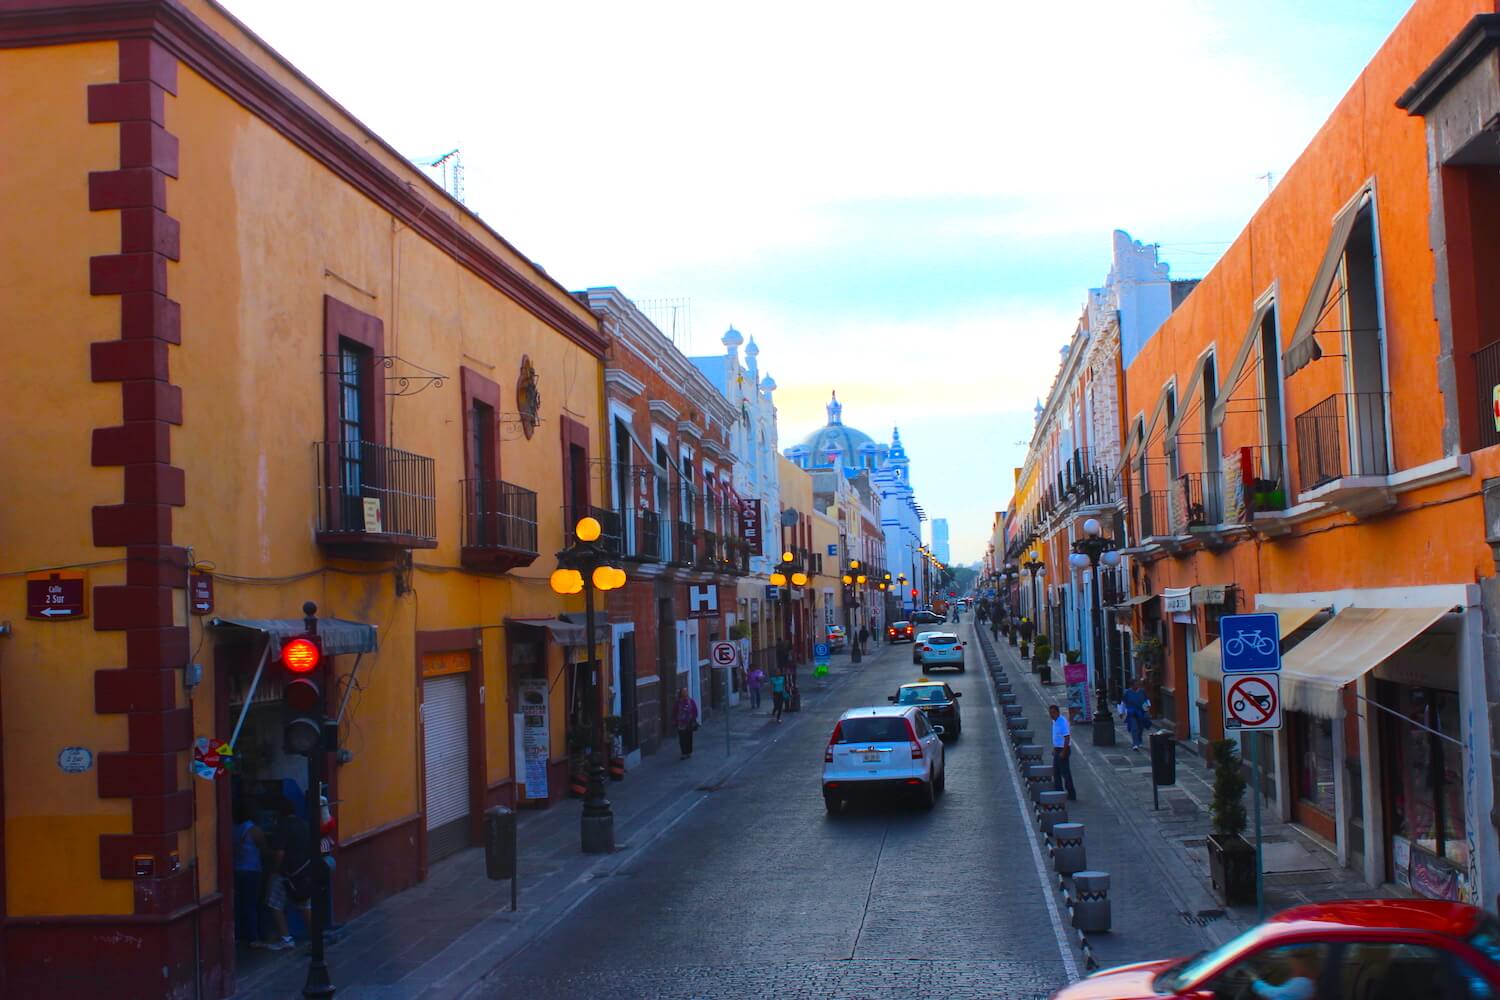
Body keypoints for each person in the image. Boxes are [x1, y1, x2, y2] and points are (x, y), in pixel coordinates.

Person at [260, 796, 314, 950]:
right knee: (305, 905)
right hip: (304, 871)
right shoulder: (304, 824)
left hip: (286, 873)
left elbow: (279, 854)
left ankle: (286, 938)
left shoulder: (282, 827)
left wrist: (274, 870)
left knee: (274, 903)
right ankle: (314, 937)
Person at [233, 797, 266, 947]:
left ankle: (238, 935)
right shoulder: (254, 829)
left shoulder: (233, 828)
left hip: (237, 869)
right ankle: (253, 937)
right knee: (252, 904)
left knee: (239, 904)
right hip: (252, 870)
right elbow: (264, 849)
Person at [1249, 950, 1318, 1000]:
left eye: (1292, 959)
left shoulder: (1303, 983)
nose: (1291, 965)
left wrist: (1255, 981)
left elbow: (1272, 993)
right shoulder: (1309, 981)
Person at [1049, 704, 1077, 800]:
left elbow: (1067, 737)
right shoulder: (1054, 721)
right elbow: (1057, 736)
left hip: (1063, 750)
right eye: (1050, 713)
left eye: (1053, 712)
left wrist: (1064, 752)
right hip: (1057, 749)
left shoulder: (1062, 722)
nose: (1051, 714)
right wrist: (1054, 747)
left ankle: (1071, 794)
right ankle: (1059, 791)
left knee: (1065, 773)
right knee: (1056, 772)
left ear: (1057, 712)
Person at [1122, 679, 1152, 751]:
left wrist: (1147, 709)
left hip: (1141, 712)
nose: (1137, 685)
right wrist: (1121, 712)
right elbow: (1123, 702)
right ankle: (1135, 744)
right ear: (1132, 685)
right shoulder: (1127, 692)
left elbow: (1146, 700)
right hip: (1132, 712)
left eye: (1138, 684)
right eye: (1135, 684)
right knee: (1134, 728)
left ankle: (1139, 739)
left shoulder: (1142, 691)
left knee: (1140, 727)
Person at [674, 686, 699, 759]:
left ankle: (689, 752)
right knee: (682, 739)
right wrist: (675, 721)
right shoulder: (678, 703)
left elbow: (695, 711)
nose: (685, 693)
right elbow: (674, 712)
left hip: (689, 723)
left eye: (686, 691)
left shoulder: (691, 701)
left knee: (689, 738)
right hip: (681, 724)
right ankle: (683, 753)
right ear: (681, 693)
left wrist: (693, 718)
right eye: (683, 692)